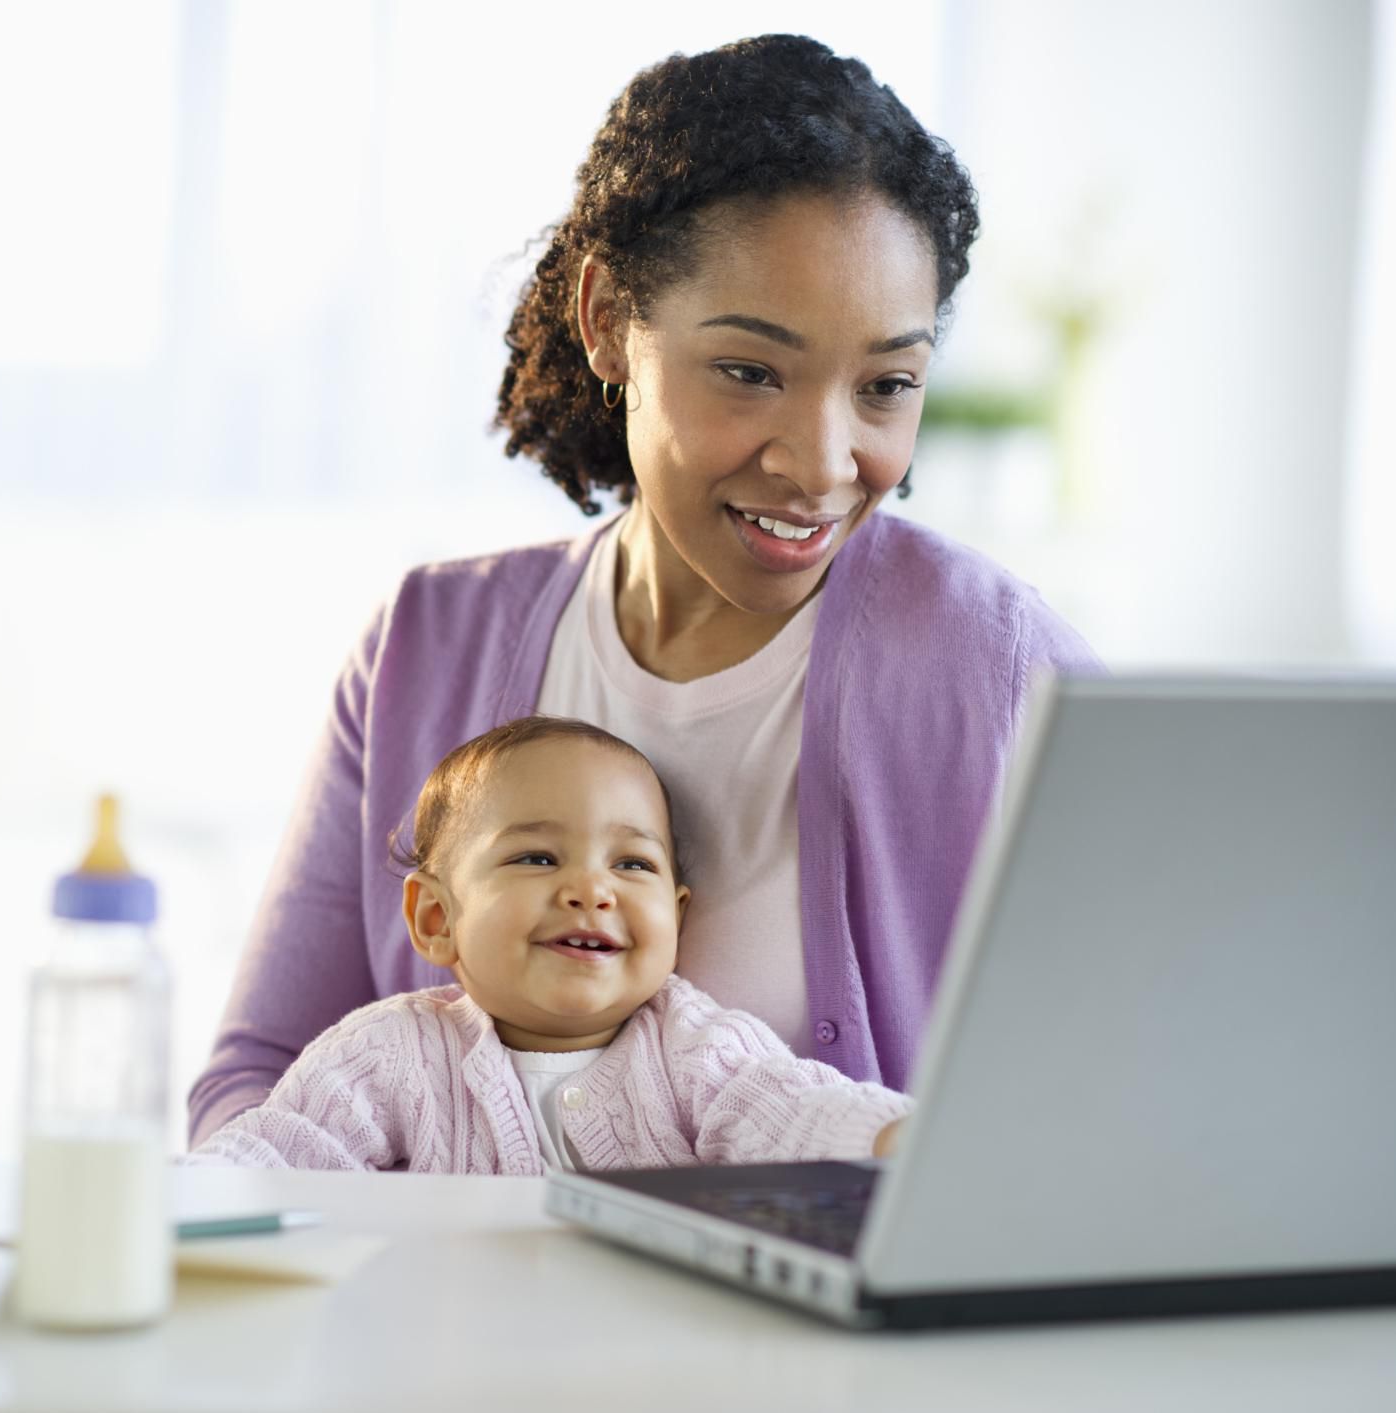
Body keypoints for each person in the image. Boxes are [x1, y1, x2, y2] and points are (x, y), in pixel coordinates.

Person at [189, 34, 1100, 1147]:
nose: (822, 463)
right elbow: (259, 1082)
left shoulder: (1003, 669)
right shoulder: (426, 648)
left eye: (885, 387)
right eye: (752, 372)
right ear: (610, 318)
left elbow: (1123, 1102)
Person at [189, 718, 910, 1173]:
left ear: (677, 919)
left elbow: (789, 1112)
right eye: (536, 858)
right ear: (437, 917)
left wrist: (903, 1137)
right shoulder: (389, 1054)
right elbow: (273, 1153)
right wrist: (181, 1200)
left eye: (632, 864)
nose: (592, 890)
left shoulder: (694, 1047)